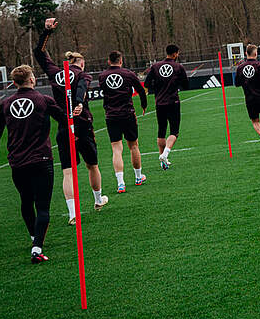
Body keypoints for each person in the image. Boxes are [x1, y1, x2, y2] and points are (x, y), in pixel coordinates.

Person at [0, 65, 65, 264]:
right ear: (32, 79)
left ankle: (34, 236)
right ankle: (37, 247)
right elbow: (64, 120)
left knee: (26, 200)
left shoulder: (6, 103)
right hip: (41, 160)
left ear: (14, 82)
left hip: (17, 161)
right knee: (42, 206)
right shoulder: (43, 100)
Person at [33, 19, 106, 224]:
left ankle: (73, 213)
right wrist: (79, 103)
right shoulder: (83, 74)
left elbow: (39, 53)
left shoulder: (55, 73)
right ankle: (98, 200)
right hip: (82, 124)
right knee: (92, 165)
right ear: (81, 63)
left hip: (64, 125)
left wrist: (46, 31)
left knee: (68, 171)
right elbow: (82, 88)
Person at [99, 51, 148, 192]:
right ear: (121, 61)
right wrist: (144, 105)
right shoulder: (128, 74)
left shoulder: (102, 76)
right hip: (127, 114)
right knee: (133, 146)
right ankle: (138, 177)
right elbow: (141, 90)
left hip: (111, 116)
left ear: (109, 61)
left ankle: (121, 183)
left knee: (116, 149)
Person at [144, 44, 189, 169]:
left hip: (160, 103)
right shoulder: (178, 67)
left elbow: (147, 83)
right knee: (174, 132)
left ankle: (163, 161)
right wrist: (176, 84)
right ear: (175, 54)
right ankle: (165, 154)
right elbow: (186, 85)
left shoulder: (155, 66)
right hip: (173, 102)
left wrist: (157, 88)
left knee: (161, 131)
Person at [233, 44, 260, 151]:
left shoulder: (240, 67)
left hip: (250, 99)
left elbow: (236, 83)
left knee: (255, 121)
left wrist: (246, 82)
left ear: (246, 53)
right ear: (256, 54)